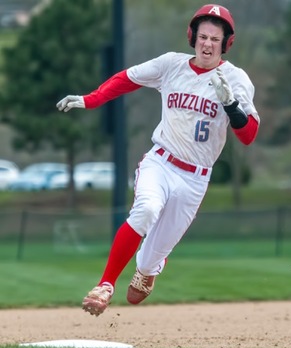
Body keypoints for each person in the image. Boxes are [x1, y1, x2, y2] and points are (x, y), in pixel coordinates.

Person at [56, 4, 260, 316]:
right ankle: (105, 285)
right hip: (161, 161)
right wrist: (91, 99)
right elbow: (128, 78)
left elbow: (248, 135)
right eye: (203, 36)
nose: (207, 44)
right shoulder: (171, 65)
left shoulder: (236, 79)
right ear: (192, 36)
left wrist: (231, 104)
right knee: (146, 208)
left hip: (195, 179)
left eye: (215, 39)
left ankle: (150, 267)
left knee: (144, 276)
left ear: (226, 43)